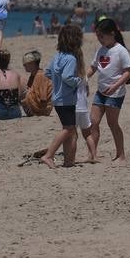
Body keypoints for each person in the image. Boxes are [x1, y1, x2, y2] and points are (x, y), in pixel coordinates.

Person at [86, 17, 130, 162]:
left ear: (112, 33)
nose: (100, 39)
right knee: (93, 122)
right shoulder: (101, 50)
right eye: (98, 36)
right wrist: (85, 77)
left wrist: (115, 86)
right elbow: (93, 67)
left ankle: (121, 155)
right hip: (100, 92)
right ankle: (92, 155)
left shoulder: (121, 50)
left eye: (102, 36)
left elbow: (128, 72)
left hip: (115, 93)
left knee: (112, 123)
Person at [40, 23, 86, 167]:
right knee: (69, 129)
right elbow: (67, 77)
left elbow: (47, 72)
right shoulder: (71, 58)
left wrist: (56, 79)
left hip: (58, 99)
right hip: (66, 99)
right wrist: (78, 81)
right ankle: (48, 155)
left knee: (69, 129)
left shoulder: (58, 56)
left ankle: (68, 161)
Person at [20, 51, 53, 116]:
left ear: (32, 64)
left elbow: (43, 97)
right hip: (39, 107)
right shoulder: (33, 75)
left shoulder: (40, 75)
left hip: (43, 109)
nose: (24, 66)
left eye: (25, 64)